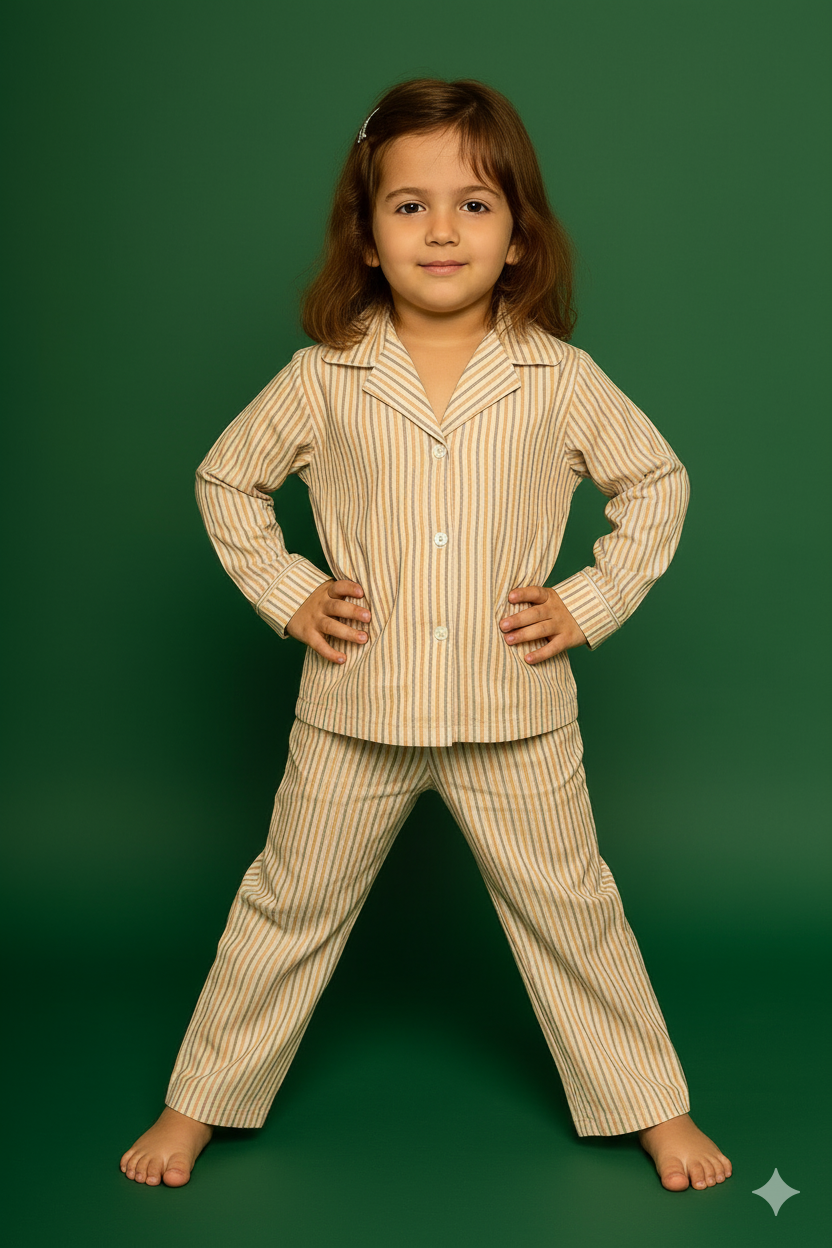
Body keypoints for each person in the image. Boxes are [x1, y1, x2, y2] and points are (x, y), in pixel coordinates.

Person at [121, 78, 732, 1193]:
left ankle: (652, 1108)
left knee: (574, 913)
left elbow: (655, 485)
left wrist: (584, 603)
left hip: (516, 717)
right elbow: (227, 479)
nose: (441, 229)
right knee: (286, 906)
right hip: (356, 708)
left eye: (474, 204)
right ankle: (196, 1102)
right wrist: (291, 591)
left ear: (517, 238)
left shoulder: (559, 377)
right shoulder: (324, 379)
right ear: (365, 235)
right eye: (409, 206)